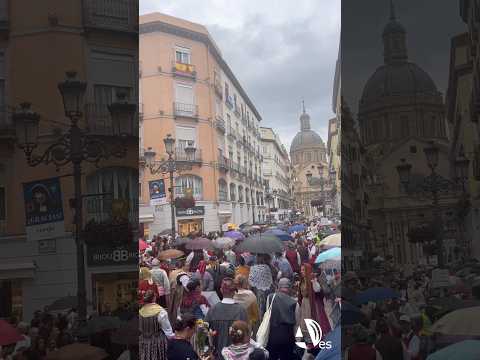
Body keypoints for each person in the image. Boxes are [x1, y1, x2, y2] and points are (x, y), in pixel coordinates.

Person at [205, 278, 248, 359]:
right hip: (236, 356)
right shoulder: (241, 311)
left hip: (217, 355)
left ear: (221, 290)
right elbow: (246, 336)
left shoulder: (213, 310)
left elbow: (204, 334)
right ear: (234, 291)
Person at [298, 263, 331, 346]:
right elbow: (301, 293)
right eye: (301, 270)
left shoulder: (312, 279)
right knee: (304, 321)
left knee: (313, 319)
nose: (301, 272)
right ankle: (309, 339)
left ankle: (316, 338)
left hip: (312, 303)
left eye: (303, 270)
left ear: (307, 270)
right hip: (305, 303)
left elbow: (317, 290)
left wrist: (314, 282)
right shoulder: (302, 280)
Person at [265, 278, 298, 360]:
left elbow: (267, 317)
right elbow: (296, 325)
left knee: (272, 357)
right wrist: (298, 341)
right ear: (289, 288)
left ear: (279, 287)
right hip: (288, 336)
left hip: (273, 335)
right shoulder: (294, 303)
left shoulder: (270, 298)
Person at [139, 290, 174, 360]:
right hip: (158, 343)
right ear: (154, 298)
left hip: (143, 341)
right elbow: (168, 331)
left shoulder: (140, 312)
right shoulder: (161, 311)